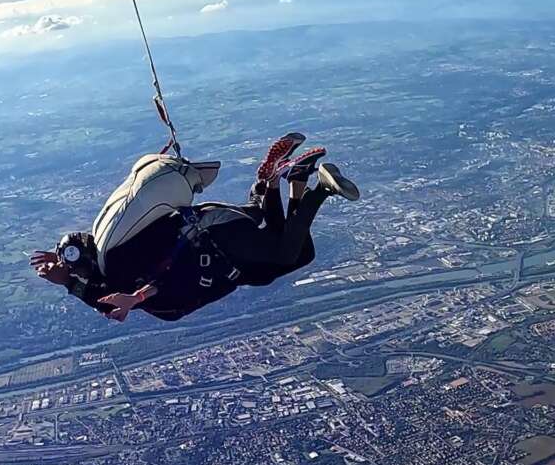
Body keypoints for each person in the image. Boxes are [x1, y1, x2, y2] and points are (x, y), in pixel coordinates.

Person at [29, 133, 358, 323]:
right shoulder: (114, 264)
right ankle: (284, 181)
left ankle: (320, 188)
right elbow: (101, 296)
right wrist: (68, 280)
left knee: (286, 251)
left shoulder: (120, 271)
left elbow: (137, 289)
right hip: (215, 236)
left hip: (216, 239)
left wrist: (132, 297)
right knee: (285, 259)